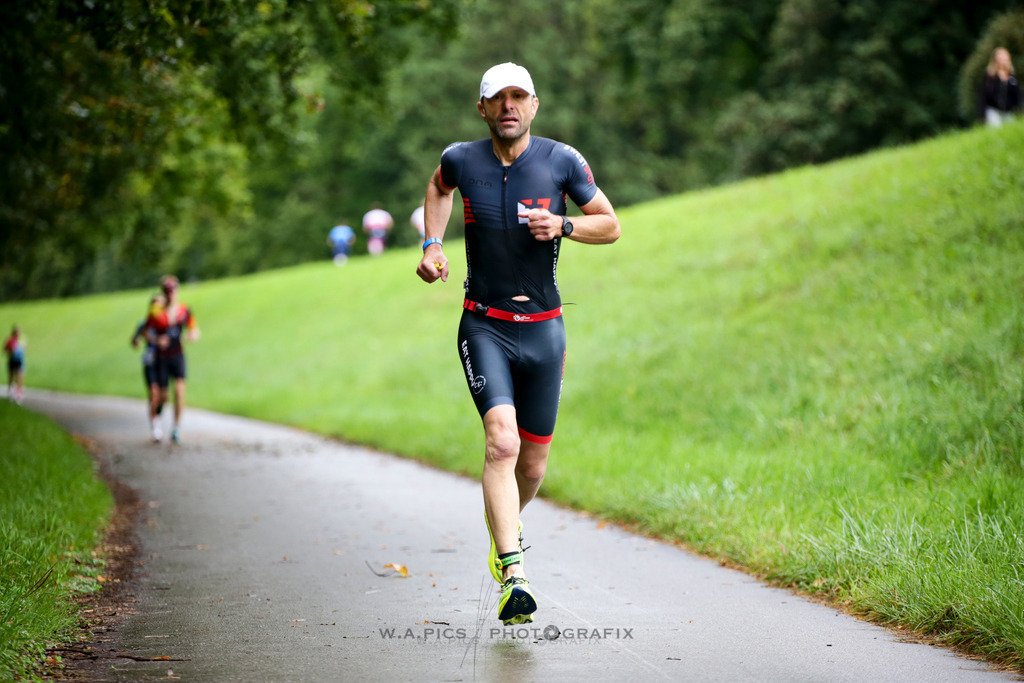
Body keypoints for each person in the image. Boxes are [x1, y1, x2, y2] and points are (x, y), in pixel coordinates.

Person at [415, 62, 620, 625]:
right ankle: (513, 570)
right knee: (500, 445)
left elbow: (610, 222)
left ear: (534, 105)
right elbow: (437, 186)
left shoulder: (561, 161)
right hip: (484, 324)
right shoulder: (462, 158)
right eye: (497, 98)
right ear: (481, 108)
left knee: (531, 466)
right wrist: (433, 244)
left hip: (545, 329)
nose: (508, 106)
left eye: (518, 97)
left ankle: (504, 524)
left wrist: (565, 227)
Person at [145, 276, 200, 443]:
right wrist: (156, 340)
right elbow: (146, 331)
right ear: (164, 292)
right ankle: (157, 415)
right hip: (162, 358)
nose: (171, 294)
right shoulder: (156, 311)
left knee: (179, 391)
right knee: (163, 397)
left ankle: (176, 427)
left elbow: (194, 329)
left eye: (173, 290)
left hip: (178, 355)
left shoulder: (184, 310)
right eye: (168, 291)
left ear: (177, 290)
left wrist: (192, 335)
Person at [132, 293, 165, 438]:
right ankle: (155, 425)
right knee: (154, 394)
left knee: (164, 396)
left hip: (164, 361)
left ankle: (156, 414)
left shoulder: (166, 322)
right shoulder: (145, 323)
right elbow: (135, 338)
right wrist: (138, 341)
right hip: (150, 361)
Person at [980, 47, 1022, 127]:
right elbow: (983, 95)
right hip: (993, 110)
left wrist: (1020, 108)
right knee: (996, 128)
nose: (1003, 60)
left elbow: (1017, 95)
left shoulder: (1012, 77)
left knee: (1010, 130)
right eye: (1000, 58)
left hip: (1007, 111)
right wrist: (982, 114)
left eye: (1004, 58)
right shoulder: (990, 76)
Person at [4, 325, 26, 404]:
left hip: (19, 360)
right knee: (12, 376)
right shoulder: (10, 340)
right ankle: (10, 391)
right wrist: (11, 350)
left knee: (19, 376)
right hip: (12, 360)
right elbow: (5, 349)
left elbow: (25, 350)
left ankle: (19, 392)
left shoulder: (21, 340)